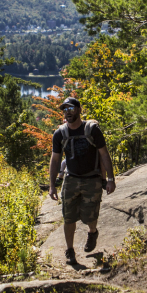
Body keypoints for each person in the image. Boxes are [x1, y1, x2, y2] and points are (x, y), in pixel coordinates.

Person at [48, 97, 116, 265]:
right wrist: (52, 186)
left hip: (91, 179)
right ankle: (70, 250)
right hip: (71, 179)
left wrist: (110, 178)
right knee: (68, 217)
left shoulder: (92, 130)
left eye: (71, 108)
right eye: (65, 109)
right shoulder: (60, 133)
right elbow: (55, 160)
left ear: (79, 110)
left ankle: (92, 232)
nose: (67, 112)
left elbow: (104, 154)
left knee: (90, 216)